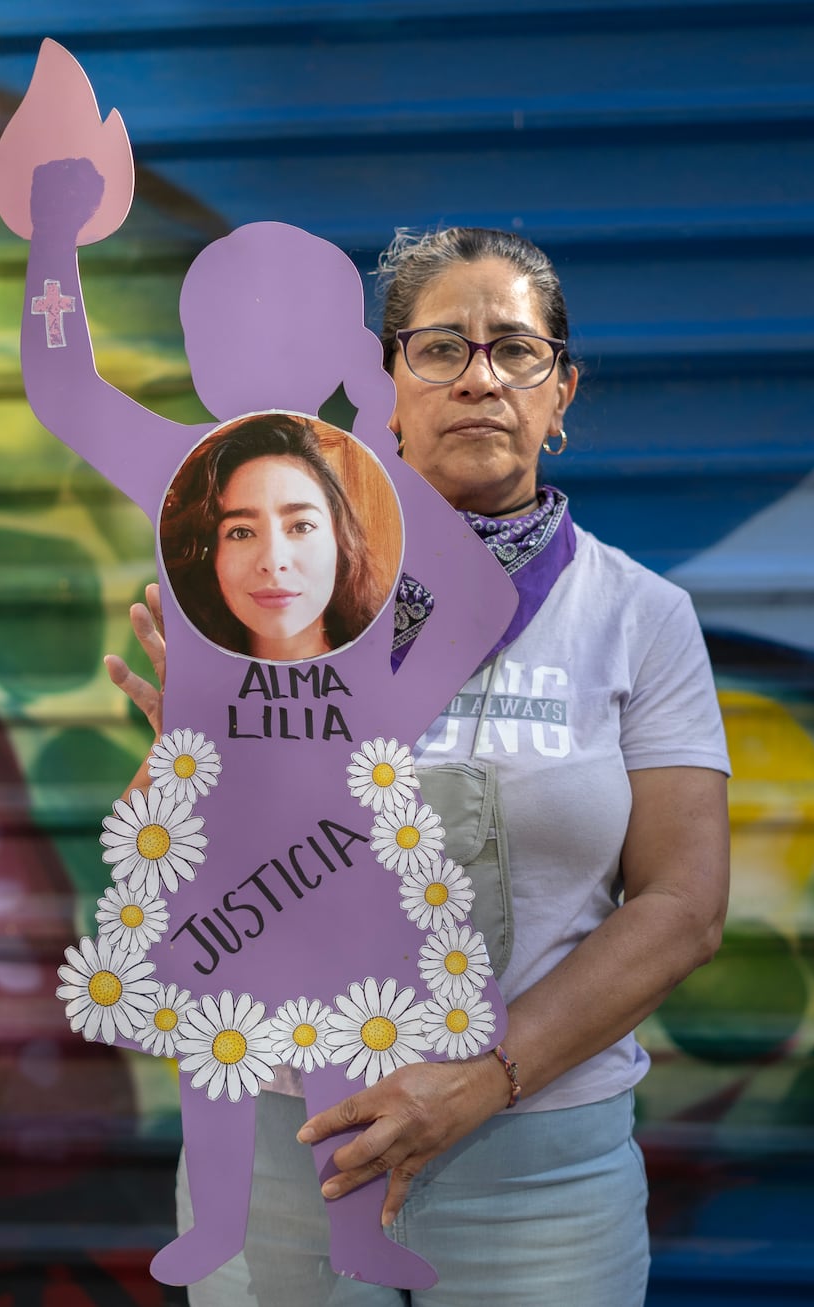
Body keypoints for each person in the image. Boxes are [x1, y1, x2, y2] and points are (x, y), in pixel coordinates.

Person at [107, 226, 732, 1305]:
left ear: (561, 391)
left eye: (515, 349)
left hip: (540, 1187)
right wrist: (190, 782)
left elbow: (682, 903)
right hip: (290, 1156)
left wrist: (480, 1081)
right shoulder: (280, 598)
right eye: (440, 346)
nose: (479, 377)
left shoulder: (639, 617)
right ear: (384, 384)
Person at [161, 413, 390, 661]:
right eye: (241, 532)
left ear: (340, 541)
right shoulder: (191, 685)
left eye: (301, 526)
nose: (273, 561)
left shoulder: (395, 660)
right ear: (211, 556)